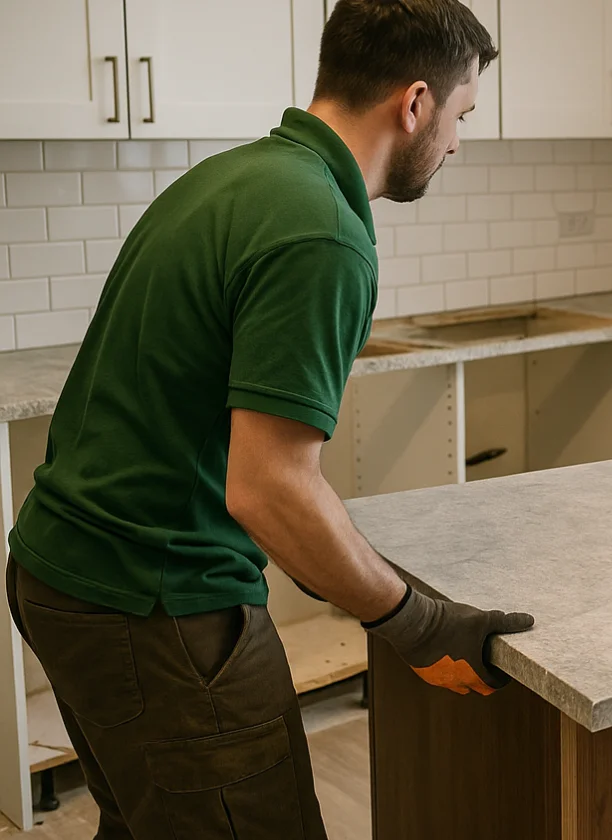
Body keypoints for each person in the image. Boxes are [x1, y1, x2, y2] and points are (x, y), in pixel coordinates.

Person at [3, 1, 532, 836]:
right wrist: (417, 624)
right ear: (416, 102)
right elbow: (270, 488)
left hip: (62, 578)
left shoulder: (236, 178)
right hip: (157, 602)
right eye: (463, 114)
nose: (459, 142)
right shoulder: (321, 230)